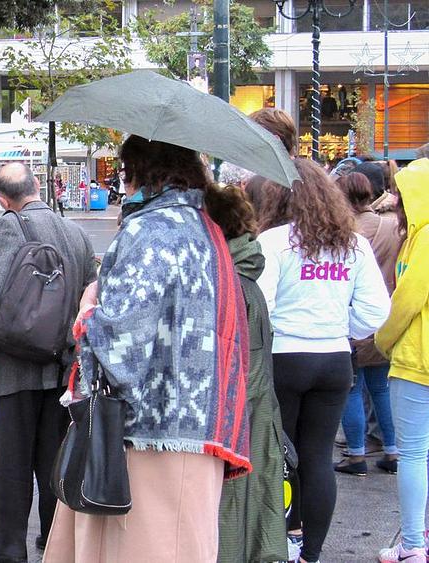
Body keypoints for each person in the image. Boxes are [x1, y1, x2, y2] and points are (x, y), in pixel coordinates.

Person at [44, 137, 250, 563]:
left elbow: (121, 344)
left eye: (125, 173)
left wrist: (87, 309)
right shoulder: (206, 229)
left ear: (142, 172)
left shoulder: (150, 230)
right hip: (201, 432)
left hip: (145, 440)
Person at [256, 158, 390, 563]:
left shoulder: (276, 241)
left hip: (285, 357)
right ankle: (311, 552)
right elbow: (375, 311)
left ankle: (284, 539)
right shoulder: (353, 245)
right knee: (317, 458)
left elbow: (261, 304)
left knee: (279, 454)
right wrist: (340, 326)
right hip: (333, 357)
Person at [0, 162, 97, 563]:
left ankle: (7, 547)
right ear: (38, 185)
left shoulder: (10, 225)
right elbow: (91, 286)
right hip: (60, 365)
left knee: (12, 459)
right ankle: (54, 539)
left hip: (15, 366)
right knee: (53, 457)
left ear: (3, 199)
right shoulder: (75, 232)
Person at [204, 185, 289, 563]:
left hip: (237, 426)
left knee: (231, 517)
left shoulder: (228, 282)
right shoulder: (245, 277)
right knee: (252, 515)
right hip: (254, 421)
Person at [375, 157, 429, 563]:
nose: (395, 199)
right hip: (415, 359)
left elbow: (406, 300)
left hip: (416, 361)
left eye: (400, 192)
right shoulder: (416, 237)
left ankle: (412, 544)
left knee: (413, 455)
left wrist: (382, 340)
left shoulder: (424, 239)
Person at [333, 172, 402, 476]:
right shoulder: (392, 224)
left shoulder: (353, 233)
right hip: (386, 319)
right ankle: (392, 450)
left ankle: (356, 454)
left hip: (359, 320)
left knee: (353, 389)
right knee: (381, 390)